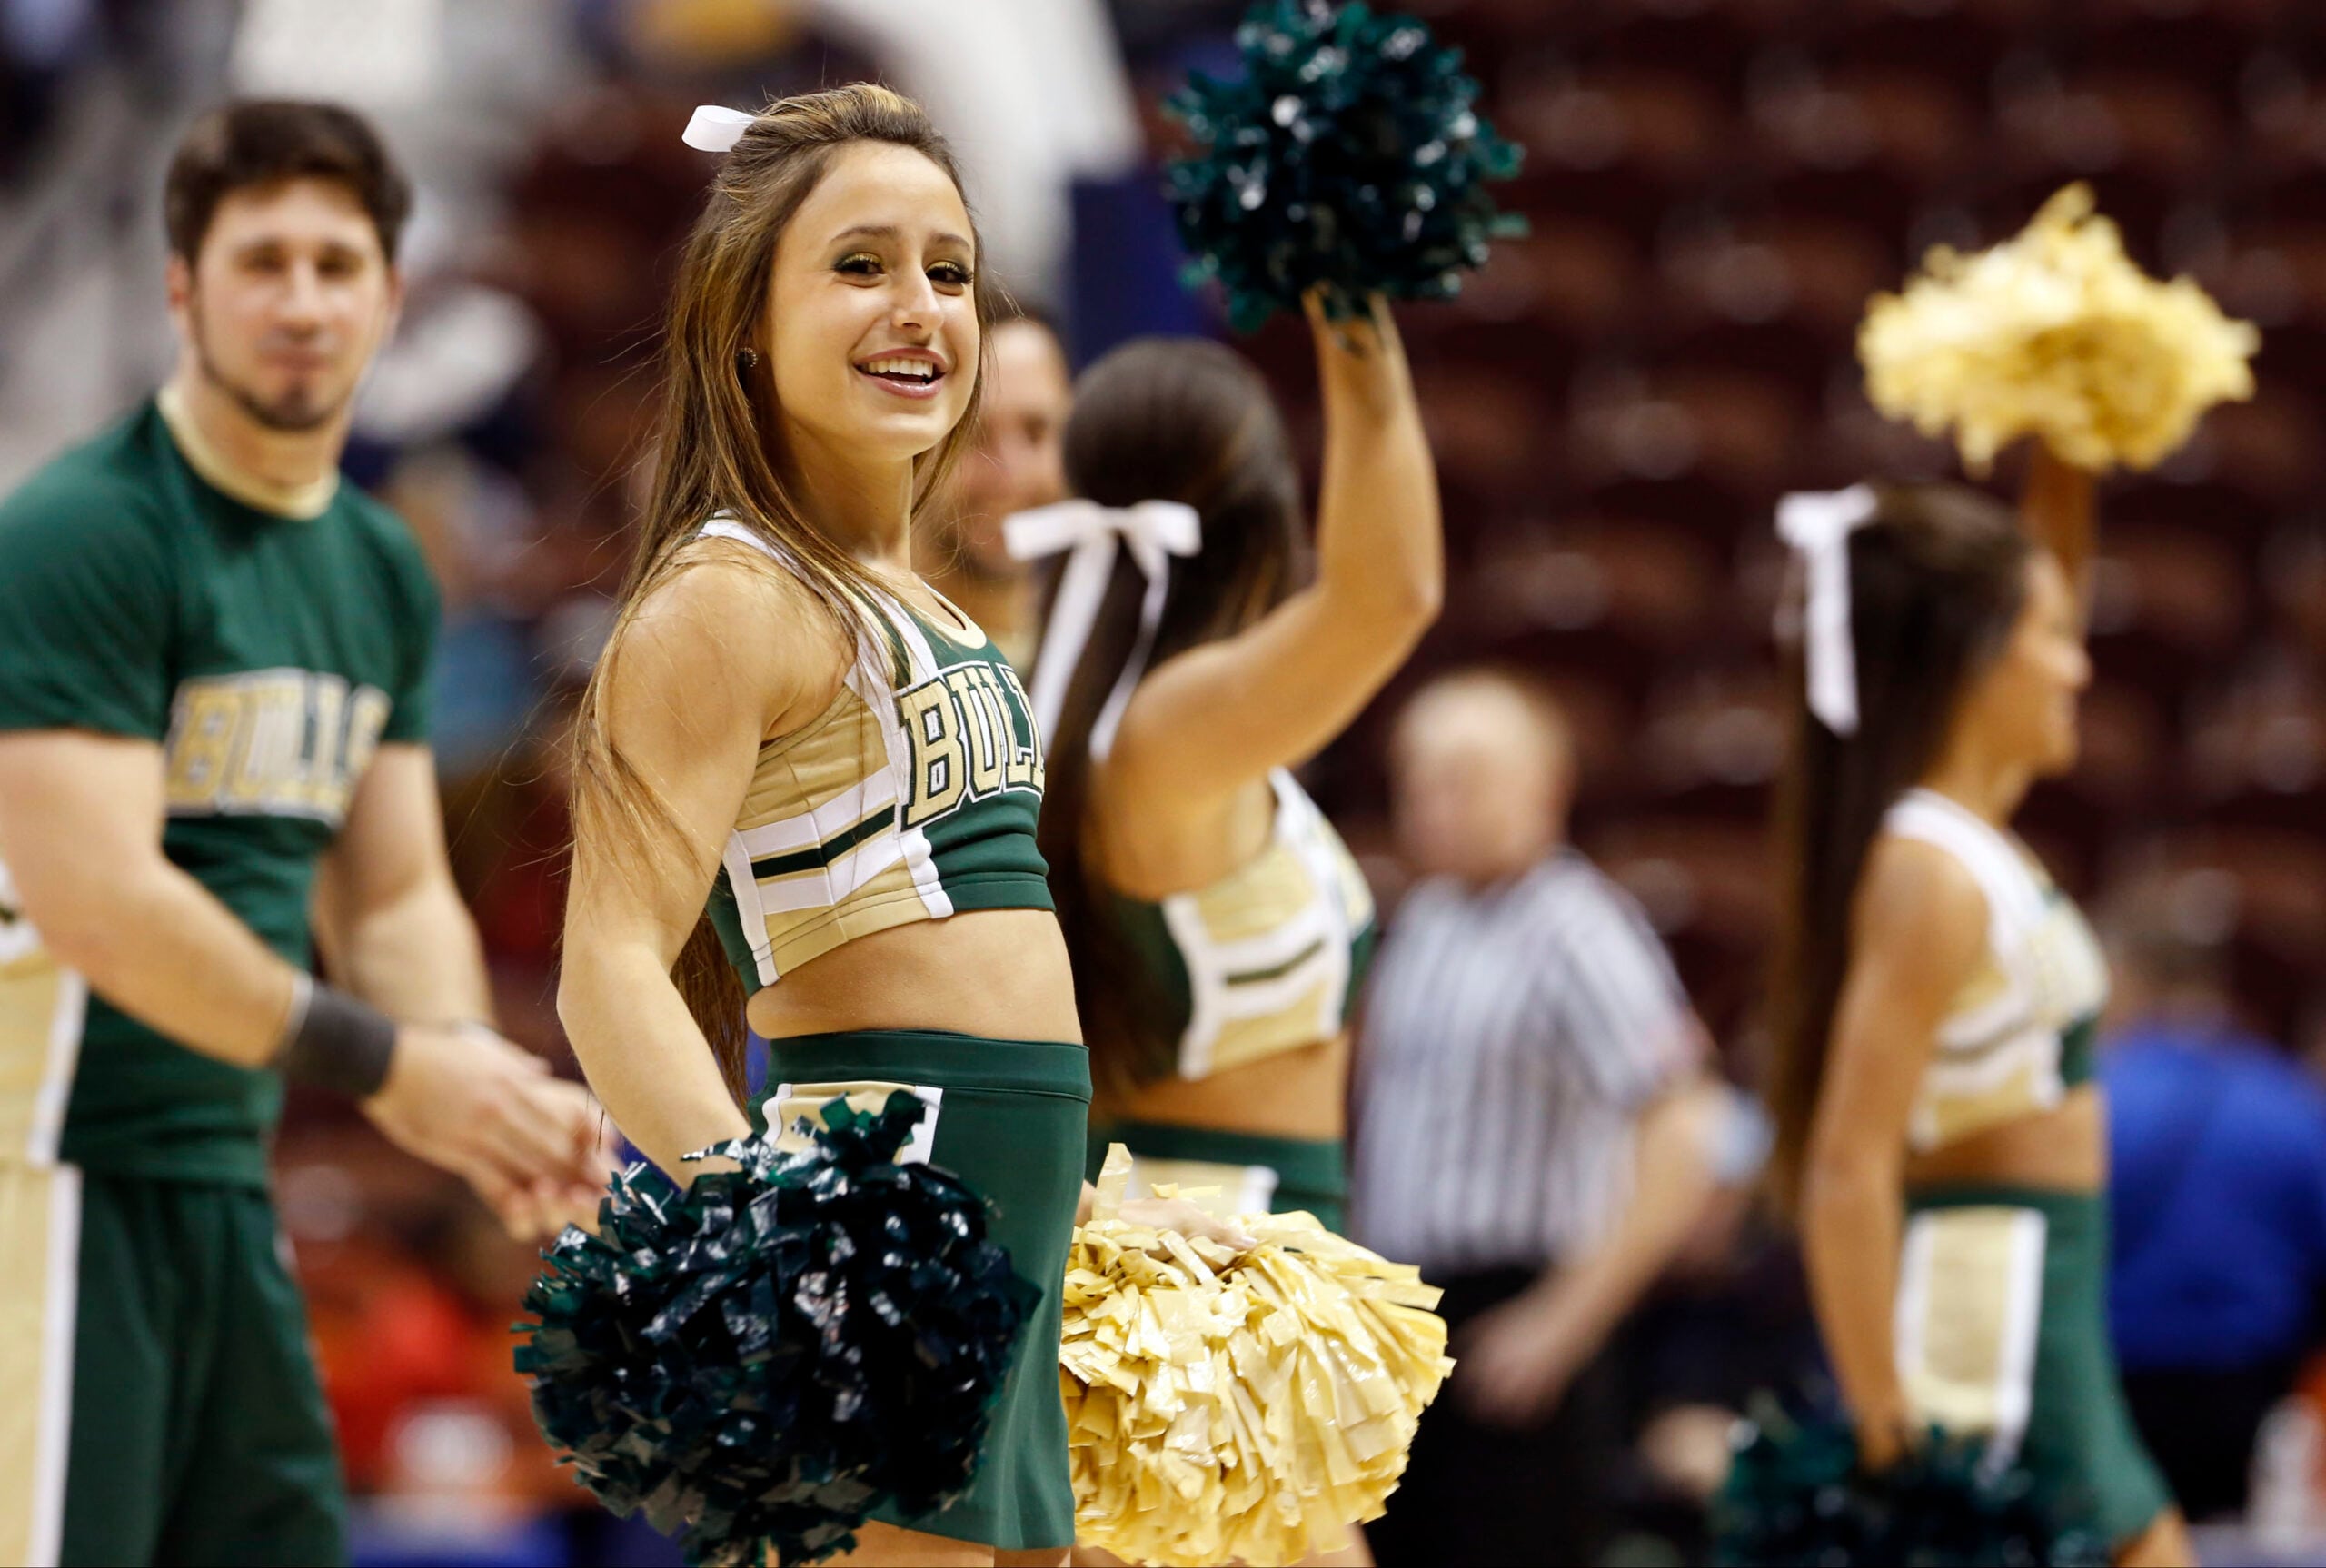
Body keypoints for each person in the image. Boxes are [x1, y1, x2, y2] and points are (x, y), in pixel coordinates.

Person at [554, 87, 1228, 1568]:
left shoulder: (928, 603)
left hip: (999, 1245)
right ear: (746, 320)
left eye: (948, 269)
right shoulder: (725, 598)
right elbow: (605, 971)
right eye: (859, 265)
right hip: (881, 1250)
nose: (918, 306)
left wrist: (1088, 1210)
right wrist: (775, 1231)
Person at [0, 100, 608, 1568]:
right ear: (181, 290)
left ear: (391, 296)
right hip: (51, 1160)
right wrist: (395, 1068)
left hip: (218, 1167)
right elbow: (98, 898)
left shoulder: (375, 565)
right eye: (260, 260)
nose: (300, 300)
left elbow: (392, 889)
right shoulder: (84, 534)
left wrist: (463, 1070)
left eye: (336, 264)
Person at [1765, 456, 2192, 1566]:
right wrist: (1887, 1440)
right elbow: (1844, 1167)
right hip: (1990, 1323)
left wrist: (2074, 443)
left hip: (2043, 1308)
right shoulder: (1930, 868)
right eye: (2051, 635)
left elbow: (2041, 591)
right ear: (1973, 657)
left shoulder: (1967, 837)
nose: (2079, 665)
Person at [1019, 297, 1437, 1257]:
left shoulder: (1103, 708)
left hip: (1190, 1258)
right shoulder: (1167, 729)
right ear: (1267, 519)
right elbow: (1392, 594)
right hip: (1211, 1271)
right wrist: (1356, 313)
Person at [1349, 668, 1730, 1568]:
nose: (1433, 804)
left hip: (1513, 1314)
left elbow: (1687, 1122)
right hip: (1409, 1317)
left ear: (1544, 783)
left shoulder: (1580, 927)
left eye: (1464, 777)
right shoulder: (1426, 920)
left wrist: (1568, 1316)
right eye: (1418, 779)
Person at [2099, 894, 2326, 1522]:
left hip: (2110, 1385)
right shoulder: (2290, 1099)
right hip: (2242, 1390)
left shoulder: (2090, 1099)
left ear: (2127, 978)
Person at [914, 303, 1072, 669]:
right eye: (973, 434)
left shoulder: (1102, 660)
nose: (1010, 475)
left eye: (1036, 433)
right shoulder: (860, 663)